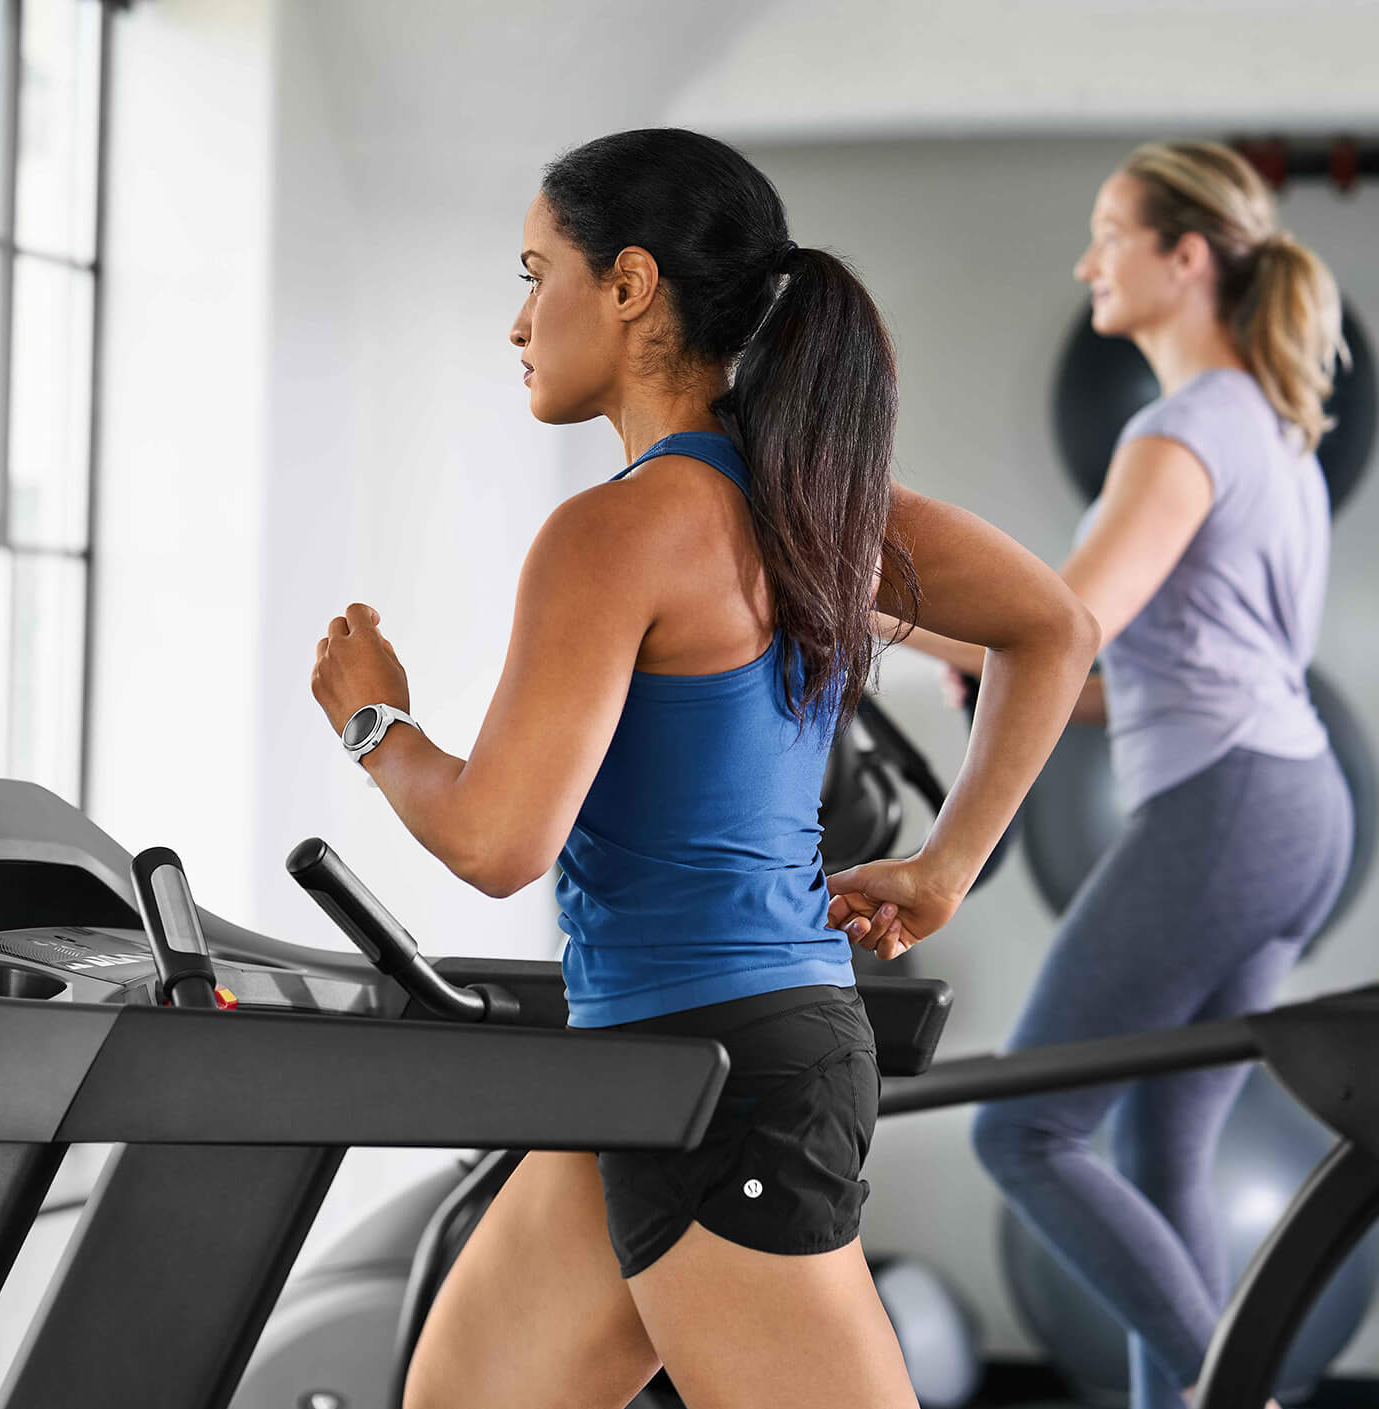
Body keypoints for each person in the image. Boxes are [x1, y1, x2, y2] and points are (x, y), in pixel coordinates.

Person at [309, 127, 1096, 1409]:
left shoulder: (614, 531)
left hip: (720, 1062)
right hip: (655, 1048)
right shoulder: (819, 508)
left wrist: (371, 723)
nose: (517, 323)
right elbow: (1053, 626)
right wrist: (945, 866)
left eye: (532, 272)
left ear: (626, 287)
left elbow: (498, 841)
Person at [895, 141, 1353, 1409]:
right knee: (1160, 1149)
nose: (1087, 258)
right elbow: (1113, 678)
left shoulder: (1180, 430)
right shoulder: (1272, 428)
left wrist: (889, 612)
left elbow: (1064, 628)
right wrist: (973, 655)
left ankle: (1230, 1392)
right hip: (1295, 811)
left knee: (1022, 1127)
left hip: (1229, 806)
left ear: (1186, 256)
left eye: (1111, 231)